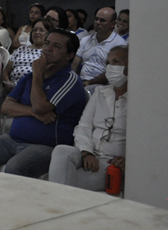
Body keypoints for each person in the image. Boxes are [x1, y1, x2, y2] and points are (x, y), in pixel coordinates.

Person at [0, 28, 86, 178]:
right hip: (13, 139)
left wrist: (38, 74)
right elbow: (6, 107)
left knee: (16, 167)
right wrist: (32, 112)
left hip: (47, 146)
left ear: (69, 55)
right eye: (47, 43)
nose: (48, 49)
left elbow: (39, 107)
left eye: (56, 46)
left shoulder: (69, 80)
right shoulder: (30, 77)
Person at [49, 46, 128, 190]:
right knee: (61, 151)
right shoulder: (100, 92)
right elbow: (84, 125)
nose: (110, 67)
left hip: (112, 161)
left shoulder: (140, 101)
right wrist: (86, 152)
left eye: (116, 62)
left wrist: (128, 159)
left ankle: (56, 196)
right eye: (108, 63)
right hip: (88, 152)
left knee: (63, 182)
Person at [0, 18, 53, 134]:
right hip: (13, 88)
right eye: (35, 30)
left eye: (41, 30)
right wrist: (7, 82)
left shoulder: (48, 53)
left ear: (48, 34)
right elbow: (6, 71)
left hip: (34, 90)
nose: (37, 33)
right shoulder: (21, 50)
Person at [72, 7, 127, 88]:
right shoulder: (85, 40)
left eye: (102, 20)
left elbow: (112, 72)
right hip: (82, 81)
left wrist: (87, 83)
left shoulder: (119, 45)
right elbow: (74, 64)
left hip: (104, 85)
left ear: (113, 24)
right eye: (96, 19)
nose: (97, 22)